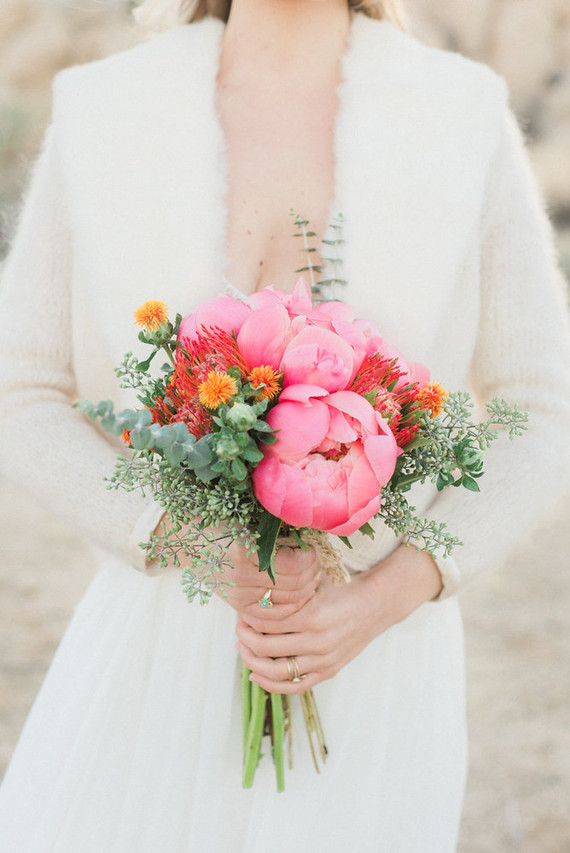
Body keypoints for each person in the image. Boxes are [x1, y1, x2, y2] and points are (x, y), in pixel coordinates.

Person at [0, 1, 569, 850]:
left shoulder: (460, 116)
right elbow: (21, 390)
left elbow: (542, 410)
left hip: (377, 666)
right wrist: (183, 537)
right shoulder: (104, 110)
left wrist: (385, 597)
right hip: (156, 647)